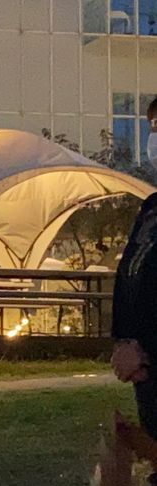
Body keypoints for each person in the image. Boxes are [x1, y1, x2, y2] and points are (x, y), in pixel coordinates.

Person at [111, 96, 157, 439]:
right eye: (154, 127)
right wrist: (124, 343)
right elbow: (131, 273)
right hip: (147, 377)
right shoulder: (151, 208)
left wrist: (148, 354)